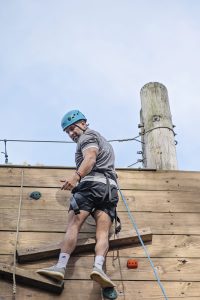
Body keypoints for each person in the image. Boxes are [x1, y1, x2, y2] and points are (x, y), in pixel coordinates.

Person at [37, 109, 119, 288]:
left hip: (90, 186)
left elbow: (90, 158)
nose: (71, 134)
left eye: (73, 128)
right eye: (68, 132)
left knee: (74, 224)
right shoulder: (104, 142)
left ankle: (60, 267)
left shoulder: (87, 136)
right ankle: (98, 267)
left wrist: (75, 177)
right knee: (103, 233)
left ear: (84, 123)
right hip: (109, 189)